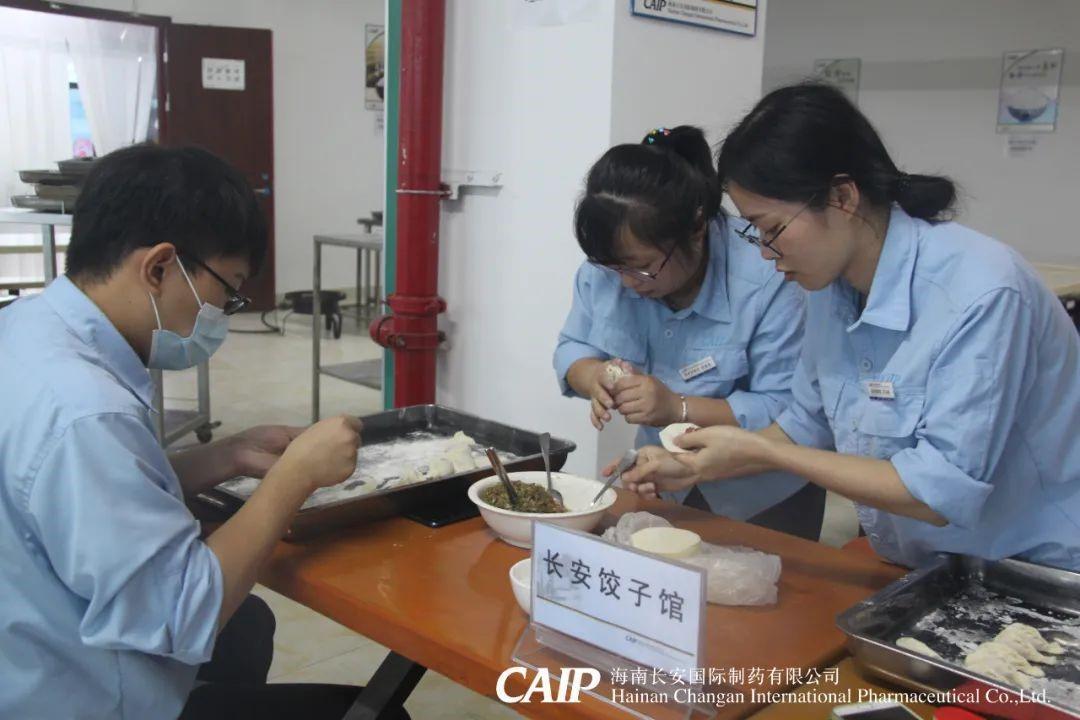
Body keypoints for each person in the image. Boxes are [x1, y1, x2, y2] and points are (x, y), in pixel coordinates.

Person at [0, 145, 409, 719]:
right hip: (80, 694)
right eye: (227, 290)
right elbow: (183, 612)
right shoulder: (88, 412)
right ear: (159, 268)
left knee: (249, 626)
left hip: (30, 644)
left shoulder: (24, 327)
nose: (224, 314)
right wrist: (294, 478)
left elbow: (79, 493)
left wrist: (227, 454)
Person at [619, 84, 1080, 571]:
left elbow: (939, 489)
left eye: (772, 229)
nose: (766, 253)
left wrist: (761, 451)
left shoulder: (982, 292)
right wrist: (695, 464)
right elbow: (806, 425)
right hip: (927, 562)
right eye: (754, 233)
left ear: (842, 197)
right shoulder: (830, 288)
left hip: (1032, 569)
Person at [554, 126, 825, 540]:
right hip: (664, 477)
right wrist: (594, 377)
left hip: (763, 490)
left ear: (696, 228)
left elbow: (788, 409)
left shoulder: (769, 276)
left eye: (643, 268)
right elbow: (573, 347)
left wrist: (677, 407)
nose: (627, 283)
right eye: (614, 268)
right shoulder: (610, 265)